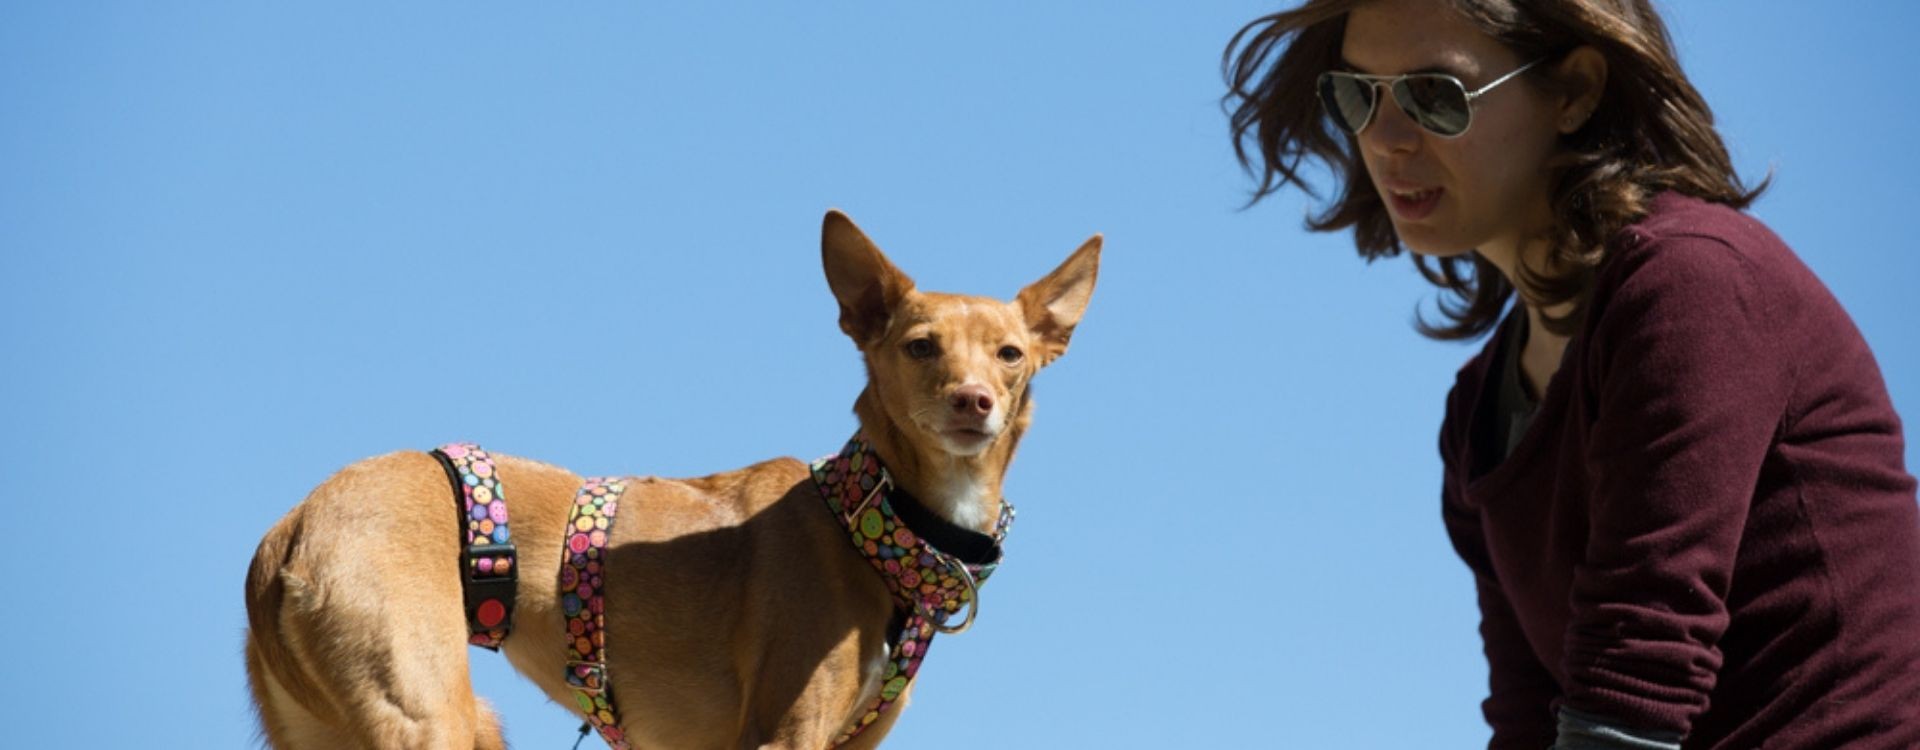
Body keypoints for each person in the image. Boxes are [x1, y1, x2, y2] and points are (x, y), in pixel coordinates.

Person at [1222, 1, 1920, 748]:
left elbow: (1635, 676)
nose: (1386, 139)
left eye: (1435, 95)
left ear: (1574, 92)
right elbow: (1530, 718)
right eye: (1358, 94)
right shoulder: (1479, 415)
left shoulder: (1694, 285)